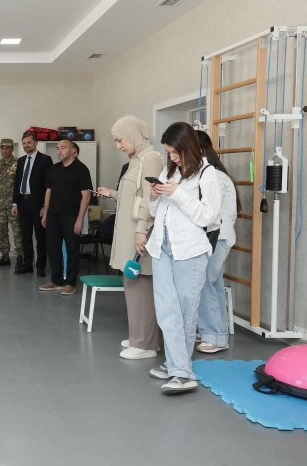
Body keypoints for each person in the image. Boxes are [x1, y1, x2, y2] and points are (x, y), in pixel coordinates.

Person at [146, 122, 221, 395]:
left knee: (186, 311)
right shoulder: (169, 171)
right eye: (169, 152)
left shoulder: (207, 174)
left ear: (187, 147)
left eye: (175, 152)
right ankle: (175, 364)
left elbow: (208, 217)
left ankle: (181, 371)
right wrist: (155, 196)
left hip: (190, 250)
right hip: (162, 247)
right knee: (166, 309)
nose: (172, 157)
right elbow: (155, 212)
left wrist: (177, 194)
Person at [97, 116, 164, 360]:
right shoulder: (137, 160)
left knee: (141, 287)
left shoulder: (152, 159)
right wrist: (113, 193)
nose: (119, 146)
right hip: (132, 233)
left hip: (140, 235)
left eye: (120, 140)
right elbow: (133, 195)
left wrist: (141, 230)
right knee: (133, 286)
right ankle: (141, 337)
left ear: (133, 134)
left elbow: (149, 199)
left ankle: (145, 343)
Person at [195, 130, 239, 354]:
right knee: (213, 285)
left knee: (205, 285)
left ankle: (213, 336)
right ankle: (218, 334)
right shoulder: (214, 175)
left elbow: (208, 214)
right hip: (219, 238)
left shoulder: (214, 177)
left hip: (217, 238)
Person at [39, 140, 92, 295]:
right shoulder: (54, 168)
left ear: (73, 151)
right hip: (53, 216)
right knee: (53, 249)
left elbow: (86, 196)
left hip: (71, 217)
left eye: (63, 148)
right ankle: (56, 280)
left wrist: (80, 219)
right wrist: (45, 212)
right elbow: (48, 191)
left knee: (72, 250)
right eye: (57, 148)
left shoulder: (82, 169)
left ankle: (70, 283)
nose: (59, 151)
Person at [11, 131, 53, 275]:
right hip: (23, 203)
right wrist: (15, 203)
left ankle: (40, 266)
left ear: (35, 143)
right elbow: (17, 183)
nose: (26, 145)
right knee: (25, 236)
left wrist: (45, 206)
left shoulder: (45, 160)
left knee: (40, 236)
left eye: (28, 142)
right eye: (24, 143)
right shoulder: (21, 161)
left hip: (38, 204)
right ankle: (27, 264)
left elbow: (49, 185)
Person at [0, 138, 23, 268]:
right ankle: (5, 257)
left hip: (13, 204)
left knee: (17, 232)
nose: (4, 150)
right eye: (2, 148)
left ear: (12, 149)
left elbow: (20, 184)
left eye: (7, 148)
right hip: (0, 203)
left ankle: (20, 257)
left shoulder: (18, 163)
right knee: (2, 231)